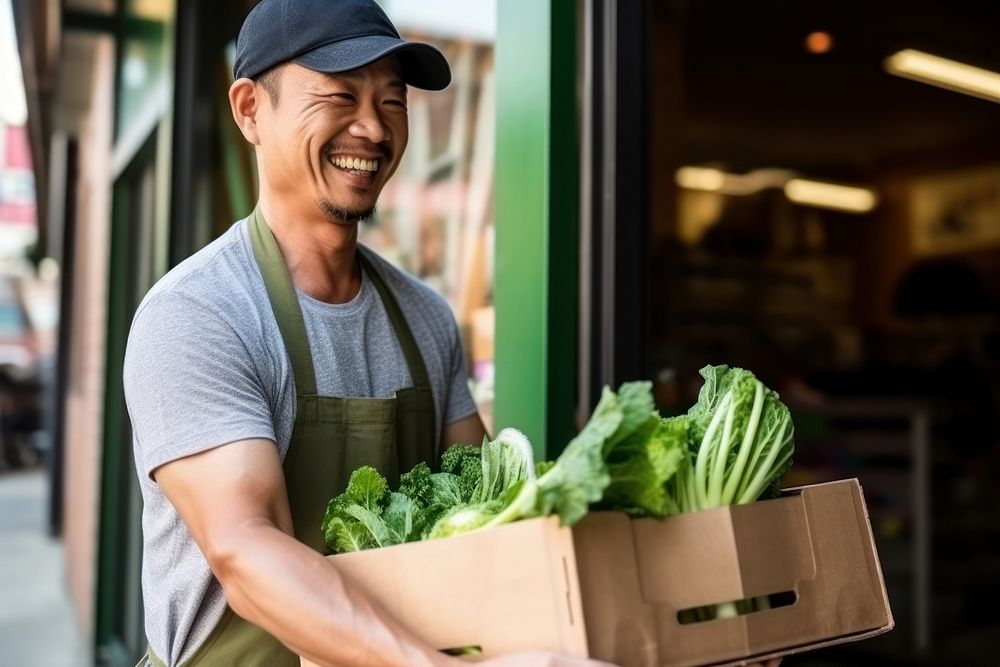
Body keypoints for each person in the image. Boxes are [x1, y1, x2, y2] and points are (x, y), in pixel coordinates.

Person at [124, 2, 781, 666]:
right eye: (339, 96)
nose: (373, 128)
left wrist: (687, 620)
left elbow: (490, 512)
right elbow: (246, 553)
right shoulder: (198, 314)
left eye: (392, 101)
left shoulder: (423, 318)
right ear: (249, 110)